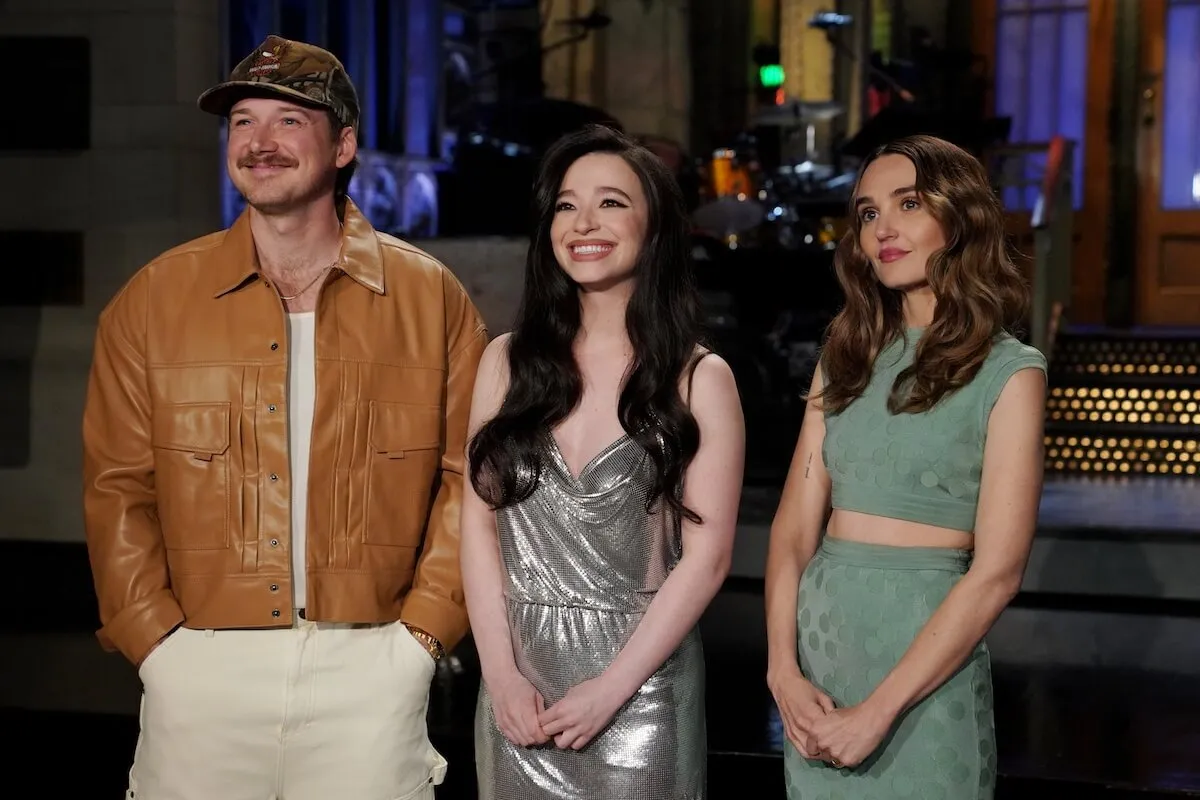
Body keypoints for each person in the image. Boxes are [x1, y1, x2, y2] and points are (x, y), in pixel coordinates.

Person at [81, 35, 486, 800]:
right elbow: (117, 487)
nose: (258, 142)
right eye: (242, 122)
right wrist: (157, 646)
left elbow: (471, 481)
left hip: (370, 666)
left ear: (343, 146)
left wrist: (420, 642)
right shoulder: (153, 301)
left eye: (288, 120)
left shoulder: (429, 299)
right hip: (199, 668)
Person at [460, 124, 745, 799]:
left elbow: (707, 561)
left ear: (656, 226)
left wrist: (613, 687)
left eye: (611, 203)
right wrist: (500, 676)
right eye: (566, 205)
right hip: (518, 685)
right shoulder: (506, 361)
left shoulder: (699, 378)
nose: (583, 222)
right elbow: (477, 529)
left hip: (641, 690)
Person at [764, 134, 1046, 799]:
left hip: (923, 683)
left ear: (960, 216)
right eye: (868, 213)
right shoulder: (844, 358)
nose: (882, 228)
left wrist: (877, 713)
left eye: (908, 204)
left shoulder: (1010, 371)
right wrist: (782, 670)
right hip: (818, 676)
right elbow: (793, 532)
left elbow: (998, 573)